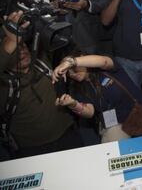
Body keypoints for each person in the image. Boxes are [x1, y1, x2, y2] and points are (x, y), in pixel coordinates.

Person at [0, 11, 83, 159]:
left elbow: (70, 47)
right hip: (33, 149)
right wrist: (11, 38)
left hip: (67, 134)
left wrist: (71, 62)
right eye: (15, 50)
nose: (22, 52)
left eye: (24, 46)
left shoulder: (41, 60)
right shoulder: (4, 84)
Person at [52, 54, 142, 143]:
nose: (73, 73)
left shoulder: (105, 69)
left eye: (73, 68)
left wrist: (71, 62)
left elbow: (103, 61)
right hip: (114, 123)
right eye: (69, 72)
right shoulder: (77, 88)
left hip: (138, 112)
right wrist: (73, 104)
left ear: (81, 58)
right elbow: (90, 112)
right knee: (113, 155)